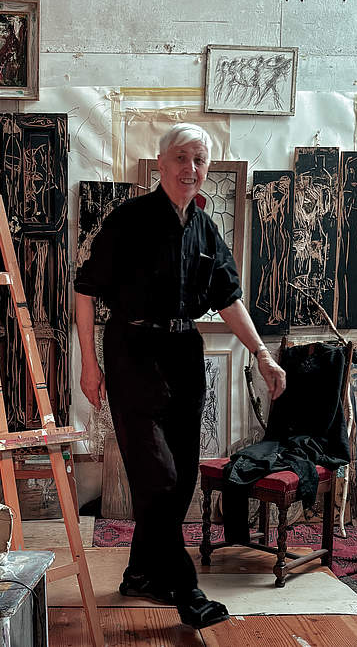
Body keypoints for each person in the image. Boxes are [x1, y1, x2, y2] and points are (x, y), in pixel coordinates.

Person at [74, 123, 286, 629]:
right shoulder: (128, 219)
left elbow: (228, 299)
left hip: (184, 354)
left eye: (200, 160)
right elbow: (85, 289)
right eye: (182, 158)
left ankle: (140, 574)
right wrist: (88, 364)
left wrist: (261, 354)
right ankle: (187, 591)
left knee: (182, 476)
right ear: (161, 164)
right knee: (158, 477)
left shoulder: (206, 229)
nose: (191, 169)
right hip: (132, 351)